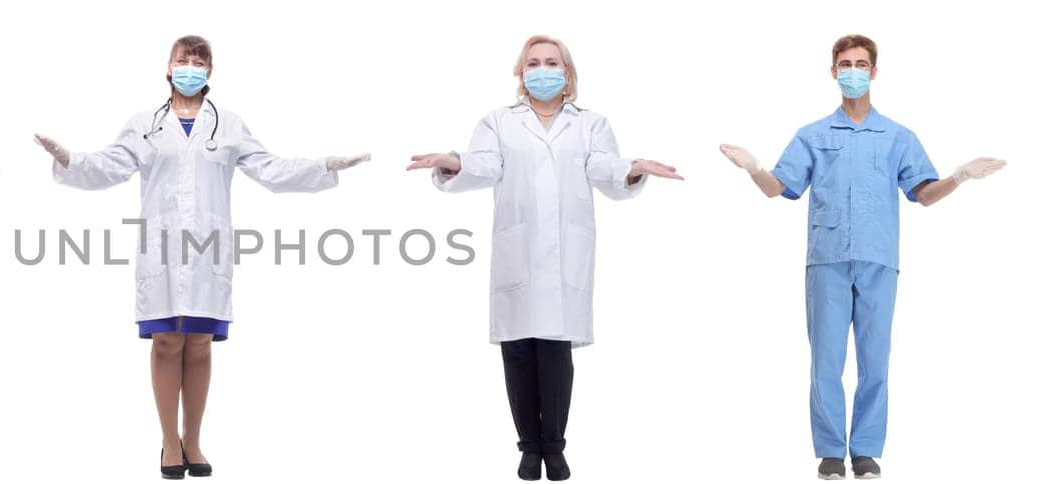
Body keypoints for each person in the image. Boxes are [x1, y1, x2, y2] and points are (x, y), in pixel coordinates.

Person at [34, 35, 370, 480]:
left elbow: (270, 169)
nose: (190, 67)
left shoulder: (228, 125)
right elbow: (109, 166)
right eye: (182, 59)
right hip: (162, 249)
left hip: (208, 249)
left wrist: (324, 167)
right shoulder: (145, 124)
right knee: (166, 341)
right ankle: (169, 442)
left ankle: (194, 440)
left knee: (199, 343)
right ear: (167, 67)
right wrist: (69, 160)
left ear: (210, 71)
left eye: (199, 61)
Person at [719, 34, 1005, 480]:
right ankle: (832, 450)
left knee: (876, 360)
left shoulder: (897, 137)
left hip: (878, 260)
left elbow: (923, 195)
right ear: (833, 72)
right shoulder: (812, 135)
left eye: (861, 64)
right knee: (826, 362)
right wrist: (754, 167)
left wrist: (959, 176)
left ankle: (867, 449)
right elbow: (780, 188)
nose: (853, 71)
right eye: (845, 64)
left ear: (874, 72)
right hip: (828, 261)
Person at [406, 35, 683, 482]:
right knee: (518, 352)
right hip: (518, 249)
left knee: (555, 352)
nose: (542, 69)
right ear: (521, 74)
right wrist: (453, 160)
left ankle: (553, 447)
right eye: (533, 62)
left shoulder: (590, 123)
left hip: (565, 253)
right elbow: (485, 163)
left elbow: (602, 168)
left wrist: (633, 167)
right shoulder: (498, 121)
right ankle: (527, 448)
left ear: (567, 72)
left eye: (551, 61)